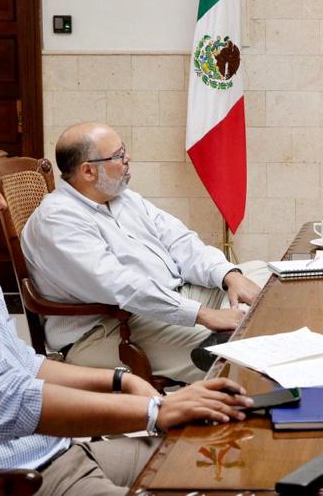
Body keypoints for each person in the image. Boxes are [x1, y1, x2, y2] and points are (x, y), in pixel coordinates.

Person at [0, 132, 253, 495]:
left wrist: (120, 382)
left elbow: (24, 363)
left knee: (230, 457)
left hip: (54, 454)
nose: (2, 206)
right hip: (11, 481)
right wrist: (155, 410)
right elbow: (5, 401)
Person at [21, 122, 262, 383]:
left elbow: (180, 241)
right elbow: (121, 286)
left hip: (168, 300)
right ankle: (229, 342)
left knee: (262, 273)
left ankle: (233, 329)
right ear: (88, 171)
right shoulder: (58, 220)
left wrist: (229, 275)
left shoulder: (121, 197)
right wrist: (202, 314)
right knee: (244, 353)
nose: (128, 159)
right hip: (110, 328)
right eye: (118, 155)